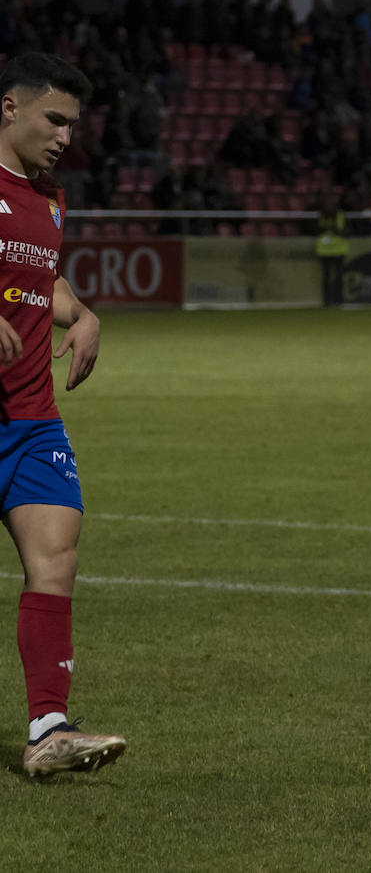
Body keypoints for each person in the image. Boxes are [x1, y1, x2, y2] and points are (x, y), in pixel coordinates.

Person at [0, 51, 125, 776]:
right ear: (8, 108)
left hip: (31, 416)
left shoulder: (48, 198)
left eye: (73, 125)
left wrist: (81, 314)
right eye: (54, 119)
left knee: (57, 556)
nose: (65, 136)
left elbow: (38, 276)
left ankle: (48, 726)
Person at [314, 190, 349, 306]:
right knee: (326, 277)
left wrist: (335, 230)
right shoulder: (320, 216)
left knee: (338, 276)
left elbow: (347, 231)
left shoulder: (341, 215)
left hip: (339, 249)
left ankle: (339, 300)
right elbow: (315, 230)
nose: (329, 206)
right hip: (324, 250)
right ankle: (326, 301)